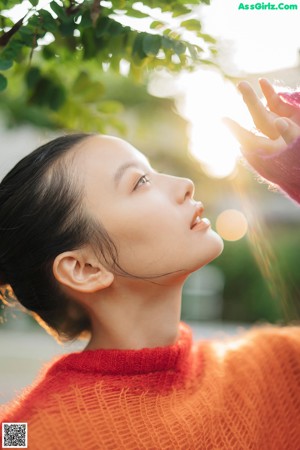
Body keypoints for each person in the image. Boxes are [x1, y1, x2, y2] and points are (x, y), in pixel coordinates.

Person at [0, 79, 300, 450]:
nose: (184, 184)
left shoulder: (275, 369)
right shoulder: (23, 435)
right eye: (140, 182)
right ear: (85, 269)